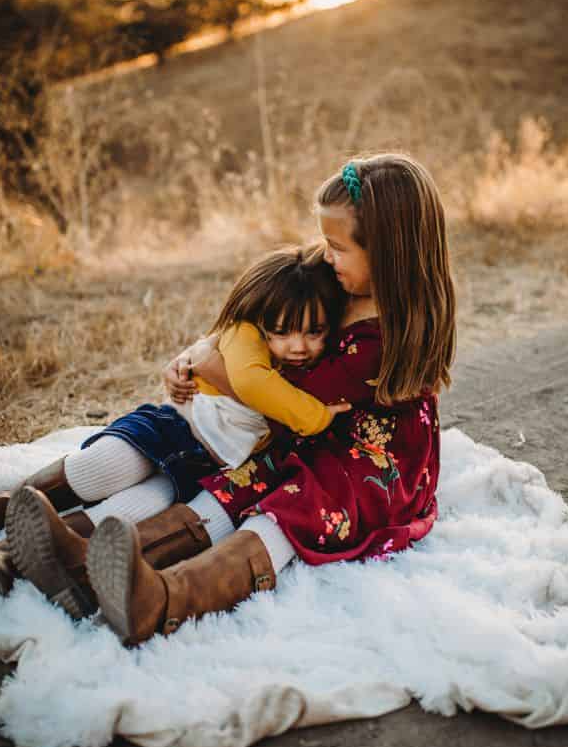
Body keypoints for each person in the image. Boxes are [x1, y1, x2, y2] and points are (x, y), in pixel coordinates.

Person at [87, 153, 455, 644]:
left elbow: (284, 395)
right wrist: (199, 353)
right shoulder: (341, 280)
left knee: (291, 508)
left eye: (337, 246)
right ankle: (89, 562)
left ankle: (168, 598)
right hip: (309, 435)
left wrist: (214, 369)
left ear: (387, 252)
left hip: (368, 470)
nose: (326, 255)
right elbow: (265, 320)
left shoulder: (380, 338)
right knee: (236, 483)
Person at [0, 245, 352, 614]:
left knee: (136, 509)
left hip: (208, 468)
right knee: (105, 466)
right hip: (173, 428)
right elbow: (247, 381)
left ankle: (6, 555)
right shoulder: (245, 333)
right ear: (260, 320)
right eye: (282, 332)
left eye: (313, 332)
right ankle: (4, 505)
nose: (297, 345)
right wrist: (318, 415)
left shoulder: (318, 360)